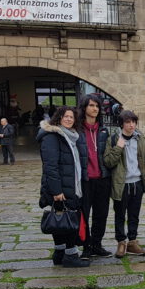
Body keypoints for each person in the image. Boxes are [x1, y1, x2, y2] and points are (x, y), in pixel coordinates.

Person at [37, 107, 89, 268]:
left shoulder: (73, 136)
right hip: (61, 187)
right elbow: (50, 166)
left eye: (71, 117)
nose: (68, 119)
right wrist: (56, 190)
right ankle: (71, 255)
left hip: (72, 183)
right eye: (65, 116)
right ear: (58, 118)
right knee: (69, 220)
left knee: (61, 219)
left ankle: (59, 253)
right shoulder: (52, 136)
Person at [104, 110, 145, 258]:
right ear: (122, 124)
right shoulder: (113, 139)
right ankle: (121, 242)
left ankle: (132, 242)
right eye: (128, 122)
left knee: (134, 215)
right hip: (121, 184)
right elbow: (108, 162)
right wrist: (119, 147)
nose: (131, 125)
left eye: (133, 122)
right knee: (120, 214)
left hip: (137, 182)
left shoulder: (140, 138)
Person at [77, 95, 112, 259]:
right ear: (84, 108)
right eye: (91, 105)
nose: (95, 109)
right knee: (84, 213)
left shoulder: (104, 131)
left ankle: (97, 244)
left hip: (102, 178)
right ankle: (86, 246)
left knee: (101, 214)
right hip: (85, 180)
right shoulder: (77, 131)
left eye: (97, 106)